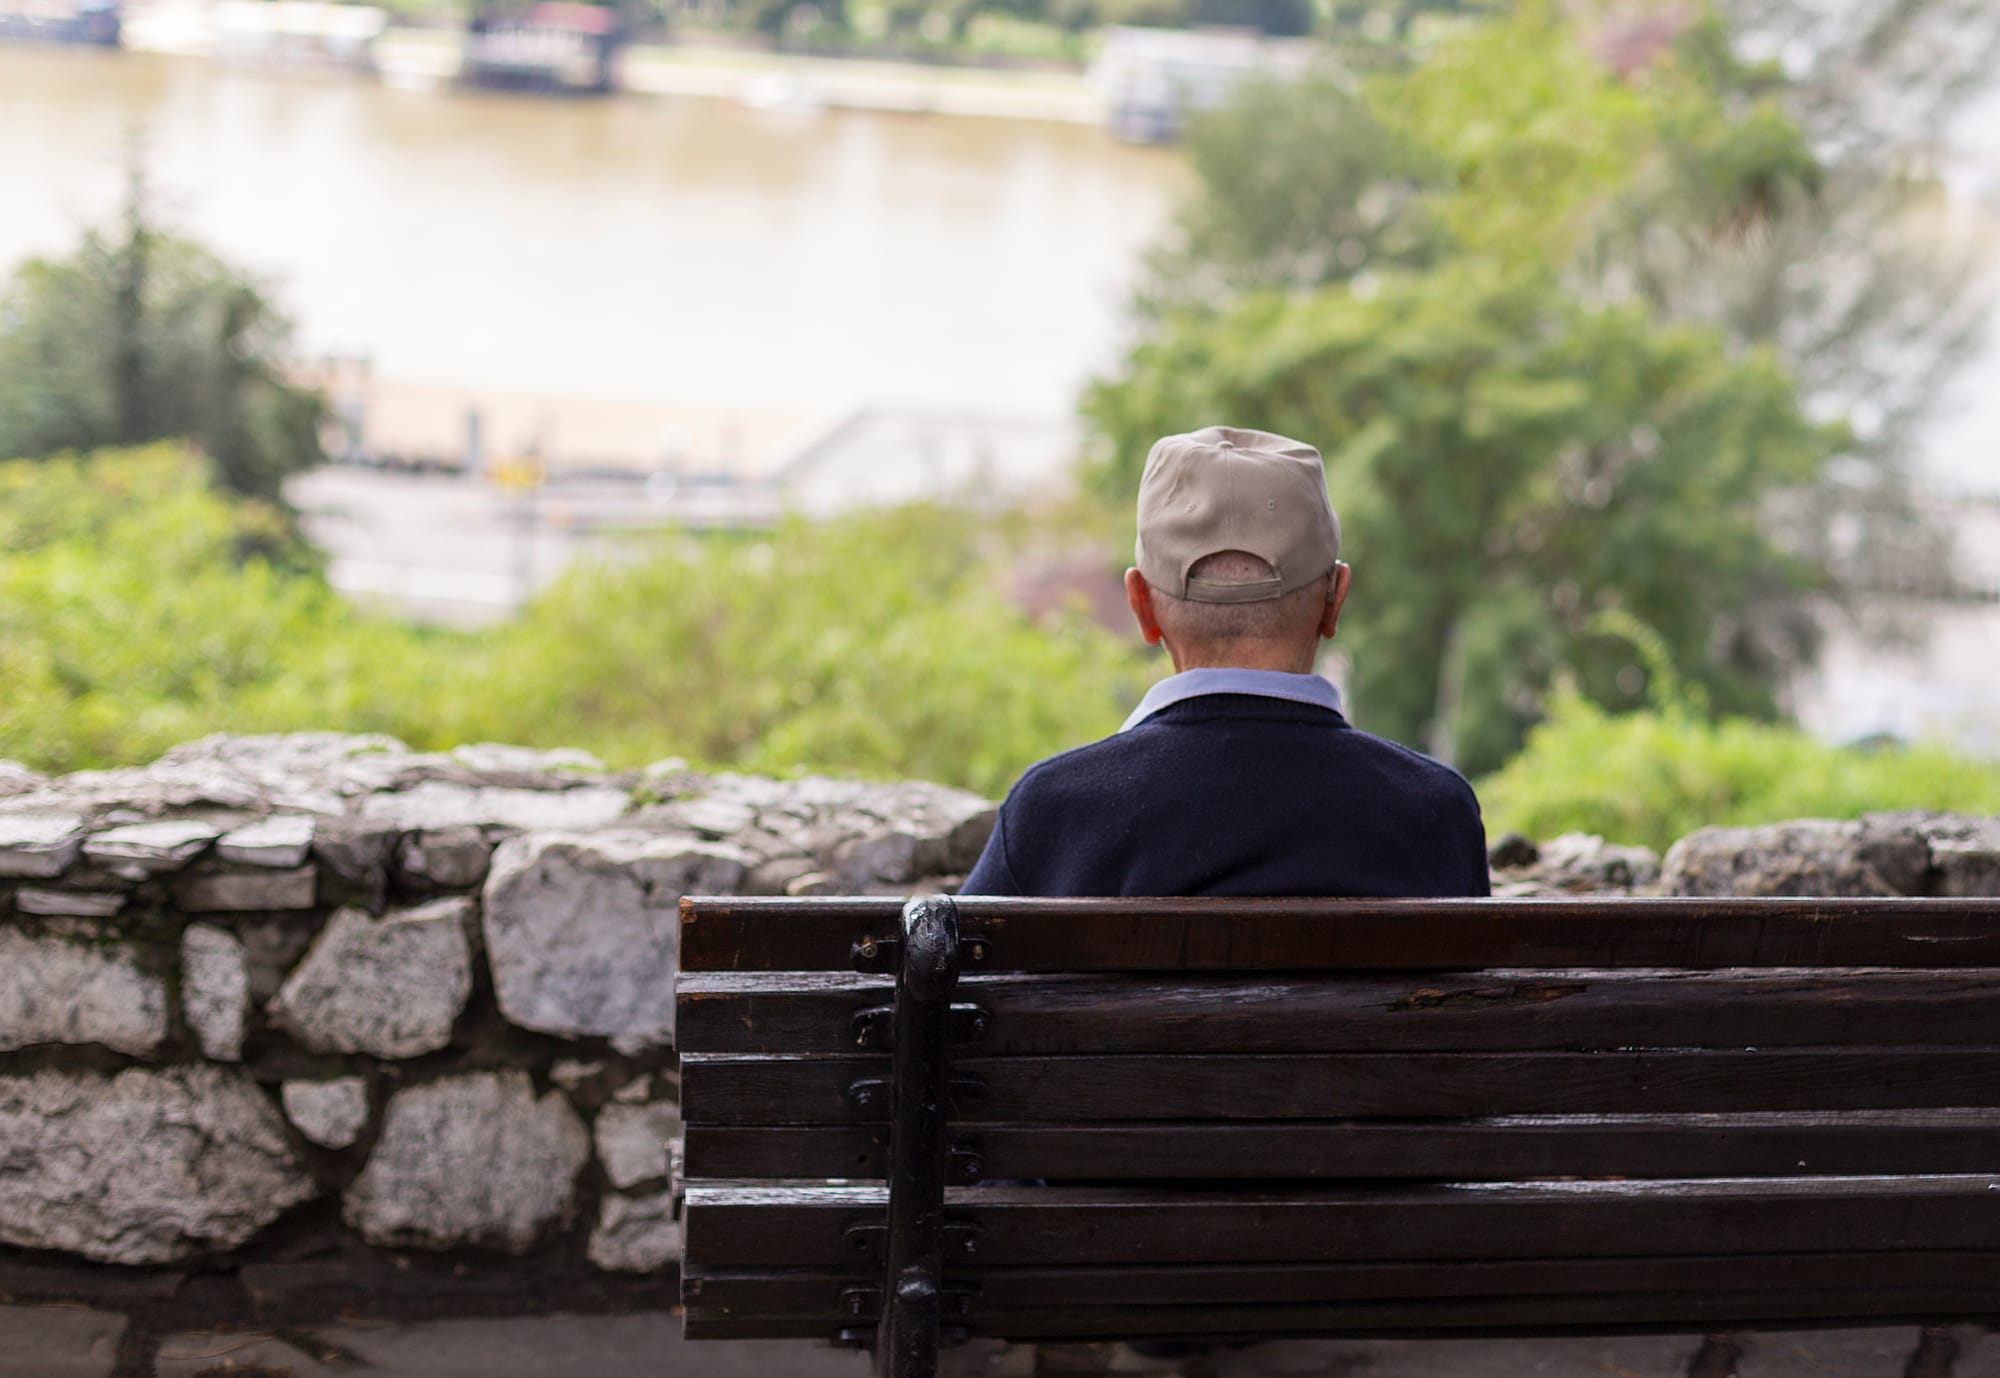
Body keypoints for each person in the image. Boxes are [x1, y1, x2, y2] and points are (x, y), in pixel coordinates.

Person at [961, 424, 1489, 898]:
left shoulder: (1053, 813)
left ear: (1142, 606)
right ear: (1335, 601)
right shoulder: (1435, 811)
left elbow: (950, 982)